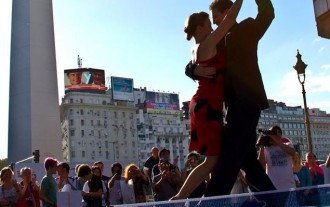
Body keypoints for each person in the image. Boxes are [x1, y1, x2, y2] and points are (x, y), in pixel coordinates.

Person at [185, 0, 276, 196]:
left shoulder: (247, 27)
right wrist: (193, 69)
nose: (215, 22)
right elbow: (197, 55)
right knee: (247, 159)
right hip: (232, 105)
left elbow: (267, 14)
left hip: (248, 100)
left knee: (229, 155)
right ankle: (276, 199)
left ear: (227, 12)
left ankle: (212, 200)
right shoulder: (216, 39)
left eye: (216, 17)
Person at [172, 0, 243, 200]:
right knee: (211, 161)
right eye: (209, 24)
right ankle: (180, 197)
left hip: (202, 102)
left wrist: (193, 69)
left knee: (214, 159)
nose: (213, 27)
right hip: (208, 103)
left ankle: (213, 197)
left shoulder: (194, 48)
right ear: (200, 28)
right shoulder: (208, 42)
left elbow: (192, 66)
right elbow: (230, 20)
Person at [257, 125, 296, 190]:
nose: (276, 134)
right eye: (274, 132)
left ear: (281, 134)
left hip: (289, 186)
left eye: (278, 132)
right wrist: (261, 147)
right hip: (273, 187)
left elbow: (292, 153)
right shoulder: (267, 149)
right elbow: (260, 166)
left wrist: (277, 141)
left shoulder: (288, 144)